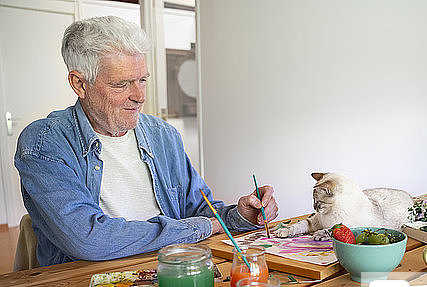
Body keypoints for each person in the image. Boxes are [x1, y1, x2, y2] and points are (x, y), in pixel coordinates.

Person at [14, 16, 278, 267]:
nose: (140, 96)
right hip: (86, 286)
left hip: (172, 270)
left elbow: (199, 209)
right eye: (121, 84)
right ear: (79, 84)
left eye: (142, 80)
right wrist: (202, 227)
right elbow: (88, 239)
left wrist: (240, 216)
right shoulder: (43, 143)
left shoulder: (163, 135)